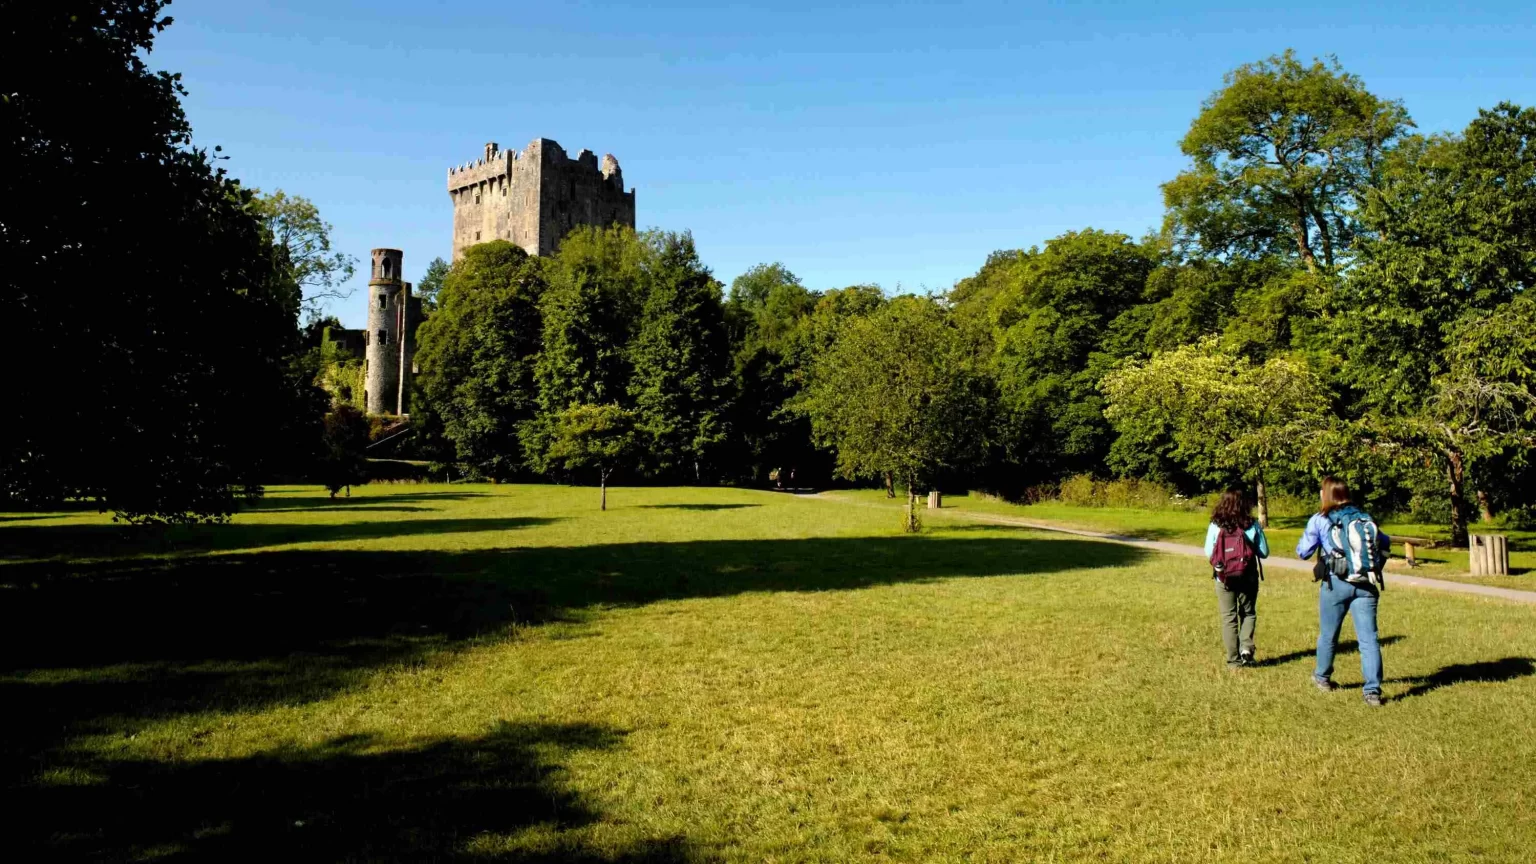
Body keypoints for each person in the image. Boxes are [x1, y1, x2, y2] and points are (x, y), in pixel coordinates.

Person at [1297, 477, 1390, 706]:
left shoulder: (1320, 519)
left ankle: (1322, 677)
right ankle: (1372, 691)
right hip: (1366, 585)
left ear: (1325, 495)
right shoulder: (1363, 517)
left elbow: (1303, 552)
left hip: (1335, 583)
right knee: (1369, 639)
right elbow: (1385, 543)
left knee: (1329, 634)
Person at [1204, 488, 1269, 669]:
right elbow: (1264, 553)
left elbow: (1209, 552)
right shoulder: (1252, 524)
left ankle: (1233, 661)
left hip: (1224, 579)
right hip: (1248, 577)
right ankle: (1246, 649)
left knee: (1229, 617)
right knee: (1248, 613)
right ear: (1245, 504)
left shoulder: (1216, 525)